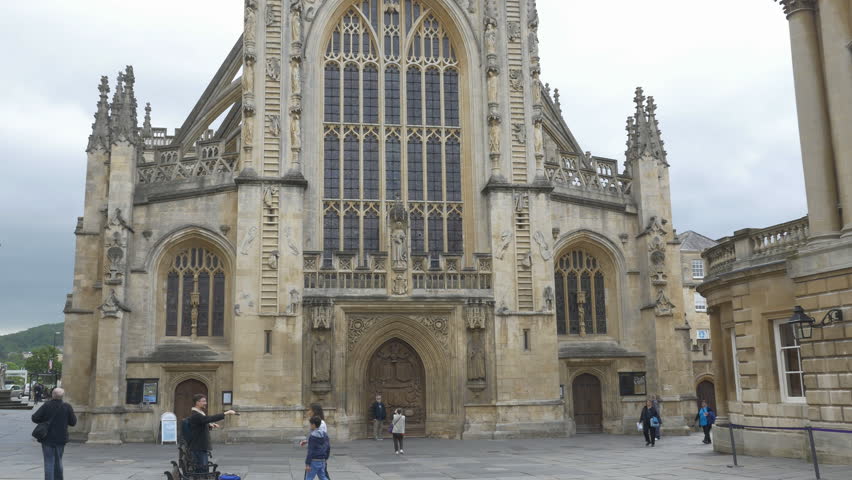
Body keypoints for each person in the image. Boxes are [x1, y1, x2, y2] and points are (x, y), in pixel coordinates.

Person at [31, 387, 77, 480]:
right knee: (58, 461)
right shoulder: (67, 406)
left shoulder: (46, 405)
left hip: (47, 438)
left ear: (52, 395)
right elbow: (73, 422)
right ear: (62, 396)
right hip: (61, 438)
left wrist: (44, 421)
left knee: (49, 461)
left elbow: (35, 418)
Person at [187, 394, 236, 472]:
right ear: (197, 402)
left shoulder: (199, 414)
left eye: (205, 401)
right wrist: (226, 413)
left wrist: (210, 426)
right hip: (198, 447)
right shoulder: (196, 415)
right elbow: (209, 418)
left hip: (200, 446)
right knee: (202, 470)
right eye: (203, 401)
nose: (205, 403)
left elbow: (200, 425)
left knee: (204, 469)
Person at [305, 416, 331, 480]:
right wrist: (326, 458)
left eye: (310, 424)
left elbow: (310, 451)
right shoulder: (325, 435)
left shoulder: (312, 436)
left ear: (313, 424)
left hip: (314, 461)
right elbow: (328, 447)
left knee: (309, 478)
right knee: (323, 477)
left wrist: (307, 464)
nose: (310, 426)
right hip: (322, 460)